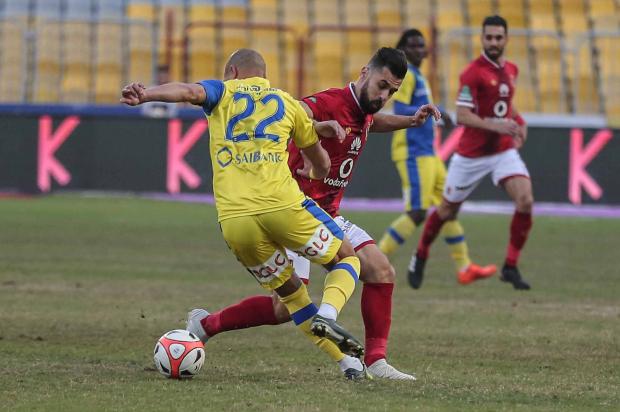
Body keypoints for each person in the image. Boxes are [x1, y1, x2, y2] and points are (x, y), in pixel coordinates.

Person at [187, 47, 441, 380]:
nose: (384, 96)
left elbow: (370, 123)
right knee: (284, 308)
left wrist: (410, 120)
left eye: (391, 91)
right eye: (382, 85)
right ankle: (205, 325)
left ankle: (376, 362)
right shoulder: (329, 101)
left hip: (328, 213)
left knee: (380, 270)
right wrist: (318, 127)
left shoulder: (363, 111)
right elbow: (297, 111)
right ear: (365, 72)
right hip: (293, 209)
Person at [120, 49, 370, 379]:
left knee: (292, 298)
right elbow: (321, 164)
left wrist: (147, 94)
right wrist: (313, 169)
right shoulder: (287, 103)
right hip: (283, 207)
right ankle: (328, 313)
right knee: (347, 258)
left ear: (232, 72)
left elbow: (188, 91)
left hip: (235, 223)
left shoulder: (223, 92)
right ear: (262, 75)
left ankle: (348, 363)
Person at [409, 16, 533, 290]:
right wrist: (496, 125)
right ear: (482, 38)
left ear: (506, 39)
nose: (493, 42)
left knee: (525, 200)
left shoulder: (511, 69)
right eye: (489, 37)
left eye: (498, 38)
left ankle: (510, 266)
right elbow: (463, 116)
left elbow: (505, 106)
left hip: (502, 151)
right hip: (471, 155)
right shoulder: (472, 73)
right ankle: (420, 255)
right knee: (447, 212)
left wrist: (519, 122)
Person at [377, 29, 496, 289]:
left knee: (447, 209)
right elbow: (399, 109)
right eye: (412, 46)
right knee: (418, 211)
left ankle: (464, 267)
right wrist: (433, 110)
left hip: (428, 153)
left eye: (421, 45)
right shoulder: (406, 76)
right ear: (402, 50)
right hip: (413, 152)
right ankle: (374, 257)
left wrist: (441, 113)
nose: (418, 49)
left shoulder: (419, 76)